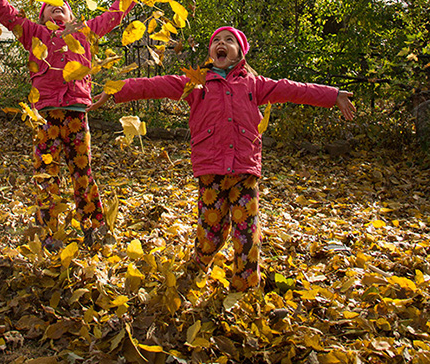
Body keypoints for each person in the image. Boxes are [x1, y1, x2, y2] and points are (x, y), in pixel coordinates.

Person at [89, 26, 356, 291]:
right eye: (217, 40)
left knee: (247, 235)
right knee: (211, 233)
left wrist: (333, 95)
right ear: (211, 52)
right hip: (211, 169)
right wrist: (115, 90)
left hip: (244, 169)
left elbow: (294, 89)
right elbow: (154, 85)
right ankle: (198, 264)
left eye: (229, 40)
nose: (222, 43)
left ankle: (245, 286)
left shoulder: (255, 84)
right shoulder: (196, 83)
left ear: (240, 52)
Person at [0, 0, 134, 252]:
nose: (57, 7)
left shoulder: (83, 33)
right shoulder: (34, 34)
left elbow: (111, 18)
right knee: (46, 175)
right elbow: (9, 16)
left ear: (71, 15)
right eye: (50, 6)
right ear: (42, 17)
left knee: (82, 172)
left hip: (76, 114)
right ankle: (48, 232)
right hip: (46, 117)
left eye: (62, 6)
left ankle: (91, 226)